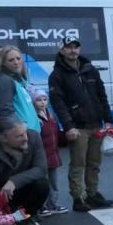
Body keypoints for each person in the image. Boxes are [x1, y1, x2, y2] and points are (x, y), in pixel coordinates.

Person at [49, 36, 113, 211]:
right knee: (78, 164)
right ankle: (78, 198)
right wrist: (68, 126)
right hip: (78, 127)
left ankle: (92, 194)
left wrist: (108, 119)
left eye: (76, 47)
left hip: (96, 124)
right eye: (69, 47)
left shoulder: (90, 69)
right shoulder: (57, 75)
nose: (73, 50)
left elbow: (102, 95)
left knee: (94, 163)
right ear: (62, 50)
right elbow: (58, 103)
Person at [0, 117, 48, 225]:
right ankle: (3, 220)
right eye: (19, 136)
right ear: (4, 138)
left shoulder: (33, 136)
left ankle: (27, 219)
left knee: (42, 184)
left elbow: (41, 168)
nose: (26, 138)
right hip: (0, 193)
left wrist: (14, 181)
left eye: (25, 132)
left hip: (23, 187)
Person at [30, 88, 67, 216]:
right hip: (41, 155)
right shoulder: (34, 117)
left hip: (52, 154)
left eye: (45, 99)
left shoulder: (50, 115)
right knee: (43, 182)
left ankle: (52, 204)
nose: (42, 102)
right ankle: (42, 206)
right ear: (33, 101)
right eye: (39, 100)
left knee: (53, 183)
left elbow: (56, 133)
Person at [0, 46, 39, 129]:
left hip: (31, 131)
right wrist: (20, 130)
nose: (16, 62)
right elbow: (6, 112)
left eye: (18, 58)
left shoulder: (19, 80)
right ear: (3, 63)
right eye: (11, 60)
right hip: (23, 133)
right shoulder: (5, 80)